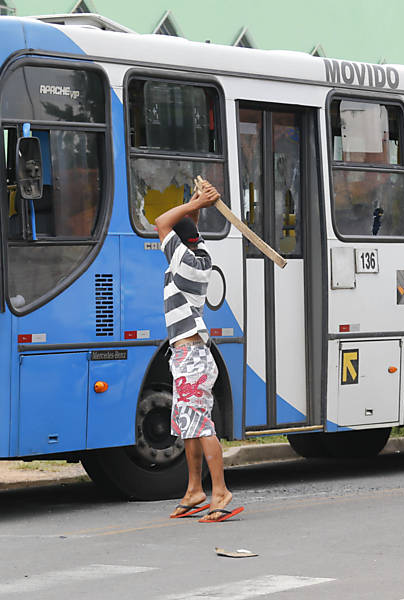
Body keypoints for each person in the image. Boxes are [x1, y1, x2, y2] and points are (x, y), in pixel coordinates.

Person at [154, 179, 243, 524]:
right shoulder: (199, 258)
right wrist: (198, 202)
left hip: (191, 357)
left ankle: (220, 491)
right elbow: (185, 228)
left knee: (201, 426)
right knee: (188, 425)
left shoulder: (183, 263)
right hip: (189, 357)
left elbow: (162, 223)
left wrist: (195, 207)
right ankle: (194, 490)